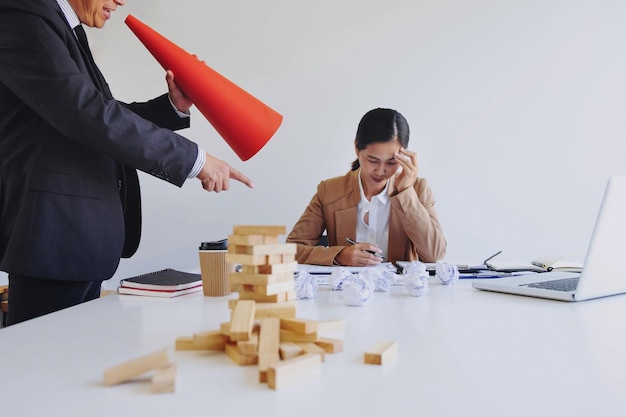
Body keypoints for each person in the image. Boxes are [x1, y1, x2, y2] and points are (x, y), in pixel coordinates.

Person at [0, 0, 254, 325]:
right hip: (55, 237)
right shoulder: (22, 14)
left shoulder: (57, 25)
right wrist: (194, 160)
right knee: (39, 365)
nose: (121, 1)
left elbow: (97, 110)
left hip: (78, 240)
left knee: (69, 363)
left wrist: (171, 107)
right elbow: (85, 112)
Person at [286, 108, 446, 266]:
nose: (381, 170)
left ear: (404, 156)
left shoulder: (418, 190)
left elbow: (435, 255)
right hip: (346, 289)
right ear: (357, 149)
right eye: (373, 160)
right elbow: (292, 250)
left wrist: (405, 193)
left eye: (391, 162)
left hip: (400, 290)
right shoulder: (329, 191)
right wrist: (339, 255)